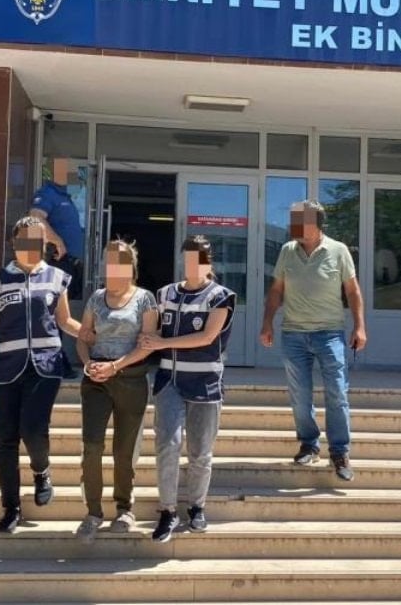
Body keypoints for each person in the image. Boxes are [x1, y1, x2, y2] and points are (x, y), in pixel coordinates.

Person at [0, 216, 82, 533]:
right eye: (25, 240)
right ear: (14, 243)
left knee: (34, 430)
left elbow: (65, 321)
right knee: (4, 439)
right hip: (3, 369)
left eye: (37, 241)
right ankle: (11, 508)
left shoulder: (56, 278)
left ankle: (41, 470)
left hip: (45, 367)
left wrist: (95, 335)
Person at [260, 200, 366, 482]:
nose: (293, 225)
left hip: (330, 333)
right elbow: (276, 290)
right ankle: (309, 445)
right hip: (293, 334)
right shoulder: (287, 251)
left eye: (299, 220)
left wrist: (360, 327)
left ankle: (340, 452)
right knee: (300, 395)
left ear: (315, 224)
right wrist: (267, 322)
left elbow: (353, 291)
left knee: (337, 392)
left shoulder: (338, 250)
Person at [139, 235, 236, 542]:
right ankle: (167, 510)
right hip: (170, 381)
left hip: (205, 383)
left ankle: (197, 507)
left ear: (209, 262)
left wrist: (162, 343)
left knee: (200, 452)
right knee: (167, 444)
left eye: (201, 259)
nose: (194, 265)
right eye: (189, 258)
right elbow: (150, 331)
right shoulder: (165, 293)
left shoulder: (220, 296)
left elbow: (206, 337)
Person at [73, 240, 158, 544]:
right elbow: (83, 338)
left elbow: (147, 344)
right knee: (92, 446)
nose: (113, 268)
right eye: (109, 262)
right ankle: (93, 513)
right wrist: (88, 363)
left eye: (120, 262)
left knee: (124, 450)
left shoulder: (145, 299)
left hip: (131, 379)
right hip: (96, 381)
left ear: (131, 267)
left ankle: (124, 508)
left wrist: (116, 366)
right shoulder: (96, 299)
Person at [30, 156, 86, 299]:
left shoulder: (65, 196)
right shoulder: (47, 193)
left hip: (71, 265)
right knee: (56, 306)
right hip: (58, 262)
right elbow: (35, 217)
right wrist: (57, 241)